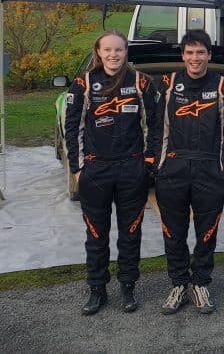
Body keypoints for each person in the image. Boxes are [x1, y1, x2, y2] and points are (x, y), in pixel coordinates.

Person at [64, 30, 161, 315]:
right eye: (107, 50)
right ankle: (97, 290)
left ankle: (128, 287)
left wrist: (148, 164)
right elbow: (72, 129)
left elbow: (155, 126)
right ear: (98, 52)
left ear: (126, 51)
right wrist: (78, 169)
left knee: (130, 234)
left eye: (118, 49)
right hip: (96, 170)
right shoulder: (83, 83)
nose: (113, 55)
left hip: (132, 169)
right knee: (96, 235)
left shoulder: (141, 82)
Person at [155, 30, 224, 315]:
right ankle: (179, 284)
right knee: (174, 233)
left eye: (200, 52)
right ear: (183, 55)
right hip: (173, 168)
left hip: (209, 169)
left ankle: (201, 283)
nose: (195, 58)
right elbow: (156, 129)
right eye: (190, 52)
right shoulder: (167, 83)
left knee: (207, 232)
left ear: (209, 55)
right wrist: (157, 166)